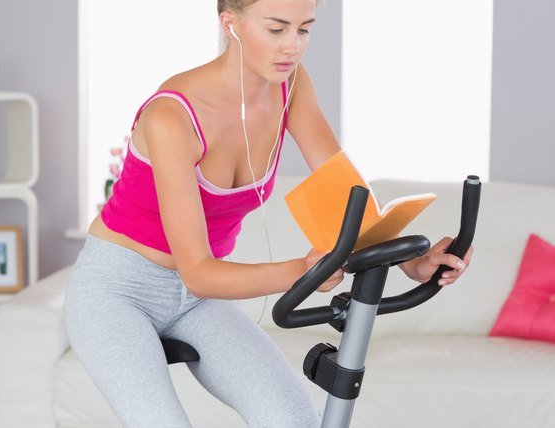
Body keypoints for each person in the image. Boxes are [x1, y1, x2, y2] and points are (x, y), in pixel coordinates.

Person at [65, 0, 474, 426]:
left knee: (293, 418)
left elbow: (344, 190)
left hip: (197, 302)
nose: (292, 47)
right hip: (118, 291)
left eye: (303, 29)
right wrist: (302, 269)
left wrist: (409, 259)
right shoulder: (172, 117)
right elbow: (199, 272)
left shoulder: (291, 86)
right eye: (276, 29)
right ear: (231, 24)